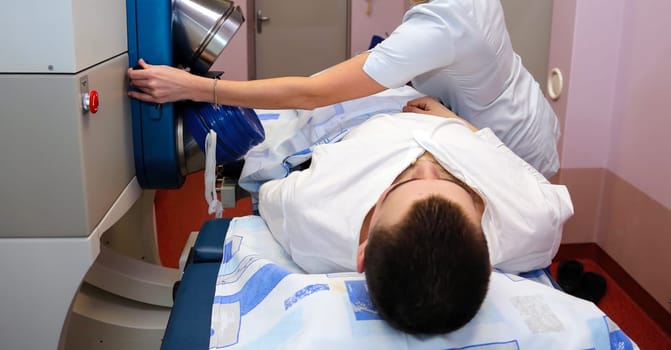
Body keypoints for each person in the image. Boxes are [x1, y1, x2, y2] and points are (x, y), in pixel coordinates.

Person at [128, 0, 561, 178]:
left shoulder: (443, 25)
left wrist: (196, 87)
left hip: (511, 144)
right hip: (522, 111)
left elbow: (312, 94)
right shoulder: (451, 11)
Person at [257, 96, 574, 334]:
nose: (426, 167)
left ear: (363, 253)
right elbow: (534, 181)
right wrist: (460, 123)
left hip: (355, 112)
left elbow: (270, 192)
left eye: (403, 183)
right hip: (448, 111)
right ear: (488, 256)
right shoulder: (532, 220)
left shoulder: (310, 208)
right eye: (453, 182)